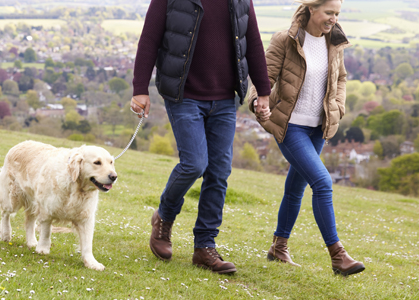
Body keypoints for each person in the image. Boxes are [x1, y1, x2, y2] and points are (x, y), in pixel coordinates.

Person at [130, 0, 271, 274]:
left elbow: (252, 40)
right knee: (194, 163)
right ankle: (164, 217)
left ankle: (205, 248)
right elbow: (149, 39)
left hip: (225, 99)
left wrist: (263, 91)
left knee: (219, 172)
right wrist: (139, 88)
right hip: (184, 95)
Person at [247, 0, 365, 276]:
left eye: (337, 14)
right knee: (323, 182)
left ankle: (279, 246)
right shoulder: (285, 40)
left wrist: (338, 106)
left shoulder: (334, 43)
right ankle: (338, 255)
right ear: (312, 9)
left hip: (318, 128)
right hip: (290, 127)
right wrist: (257, 102)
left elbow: (341, 79)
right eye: (328, 13)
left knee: (295, 188)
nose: (333, 19)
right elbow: (264, 77)